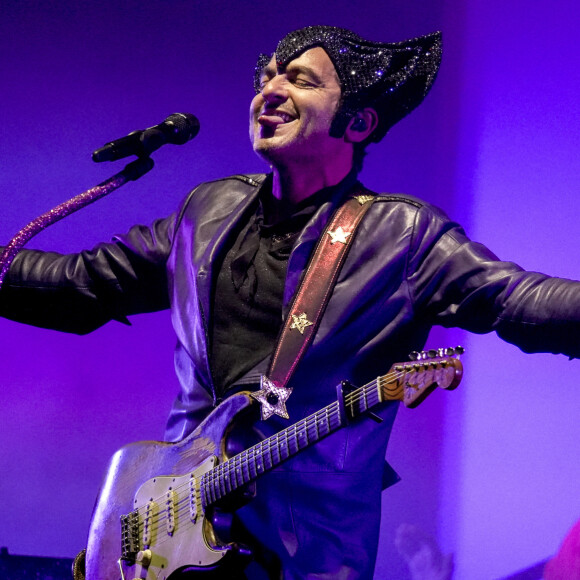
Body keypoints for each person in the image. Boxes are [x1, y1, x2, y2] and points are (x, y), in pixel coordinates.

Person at [2, 25, 580, 579]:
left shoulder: (402, 235)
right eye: (269, 76)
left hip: (302, 549)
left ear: (359, 122)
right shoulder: (206, 212)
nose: (270, 90)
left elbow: (516, 298)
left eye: (301, 80)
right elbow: (83, 284)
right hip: (171, 535)